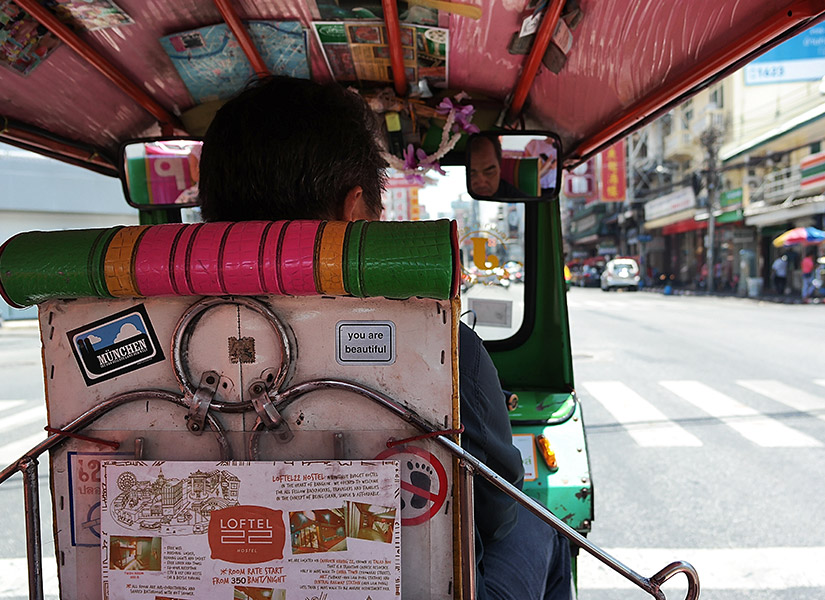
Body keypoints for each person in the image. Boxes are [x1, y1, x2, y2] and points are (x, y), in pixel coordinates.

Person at [199, 76, 571, 600]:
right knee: (539, 524)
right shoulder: (438, 346)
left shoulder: (155, 345)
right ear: (355, 212)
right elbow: (497, 506)